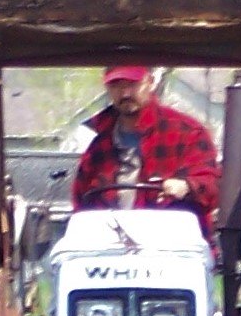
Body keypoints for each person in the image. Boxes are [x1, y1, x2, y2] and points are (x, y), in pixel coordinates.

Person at [70, 65, 221, 241]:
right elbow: (81, 203)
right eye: (116, 85)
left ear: (149, 82)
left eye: (133, 84)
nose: (125, 93)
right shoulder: (98, 146)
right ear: (107, 88)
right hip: (110, 251)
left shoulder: (187, 132)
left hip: (173, 249)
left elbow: (212, 185)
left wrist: (186, 186)